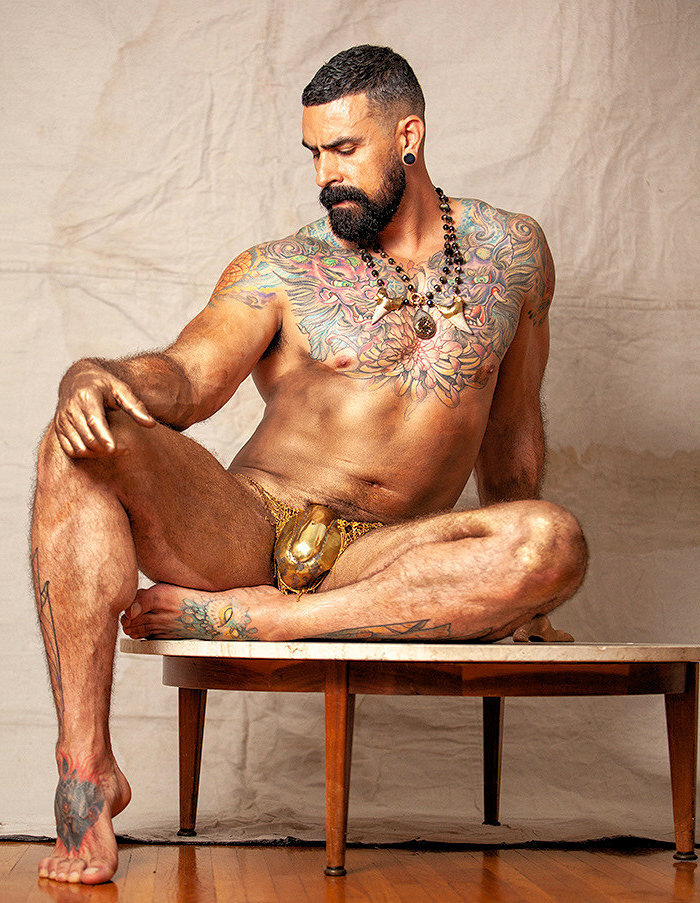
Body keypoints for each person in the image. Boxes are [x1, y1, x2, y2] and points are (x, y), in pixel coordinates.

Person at [32, 44, 587, 884]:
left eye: (344, 149)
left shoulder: (513, 257)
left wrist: (526, 599)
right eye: (314, 154)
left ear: (409, 136)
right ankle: (85, 775)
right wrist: (97, 376)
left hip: (387, 554)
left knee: (552, 541)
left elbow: (511, 434)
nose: (326, 175)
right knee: (80, 437)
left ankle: (268, 620)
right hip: (249, 527)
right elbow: (186, 378)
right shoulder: (281, 269)